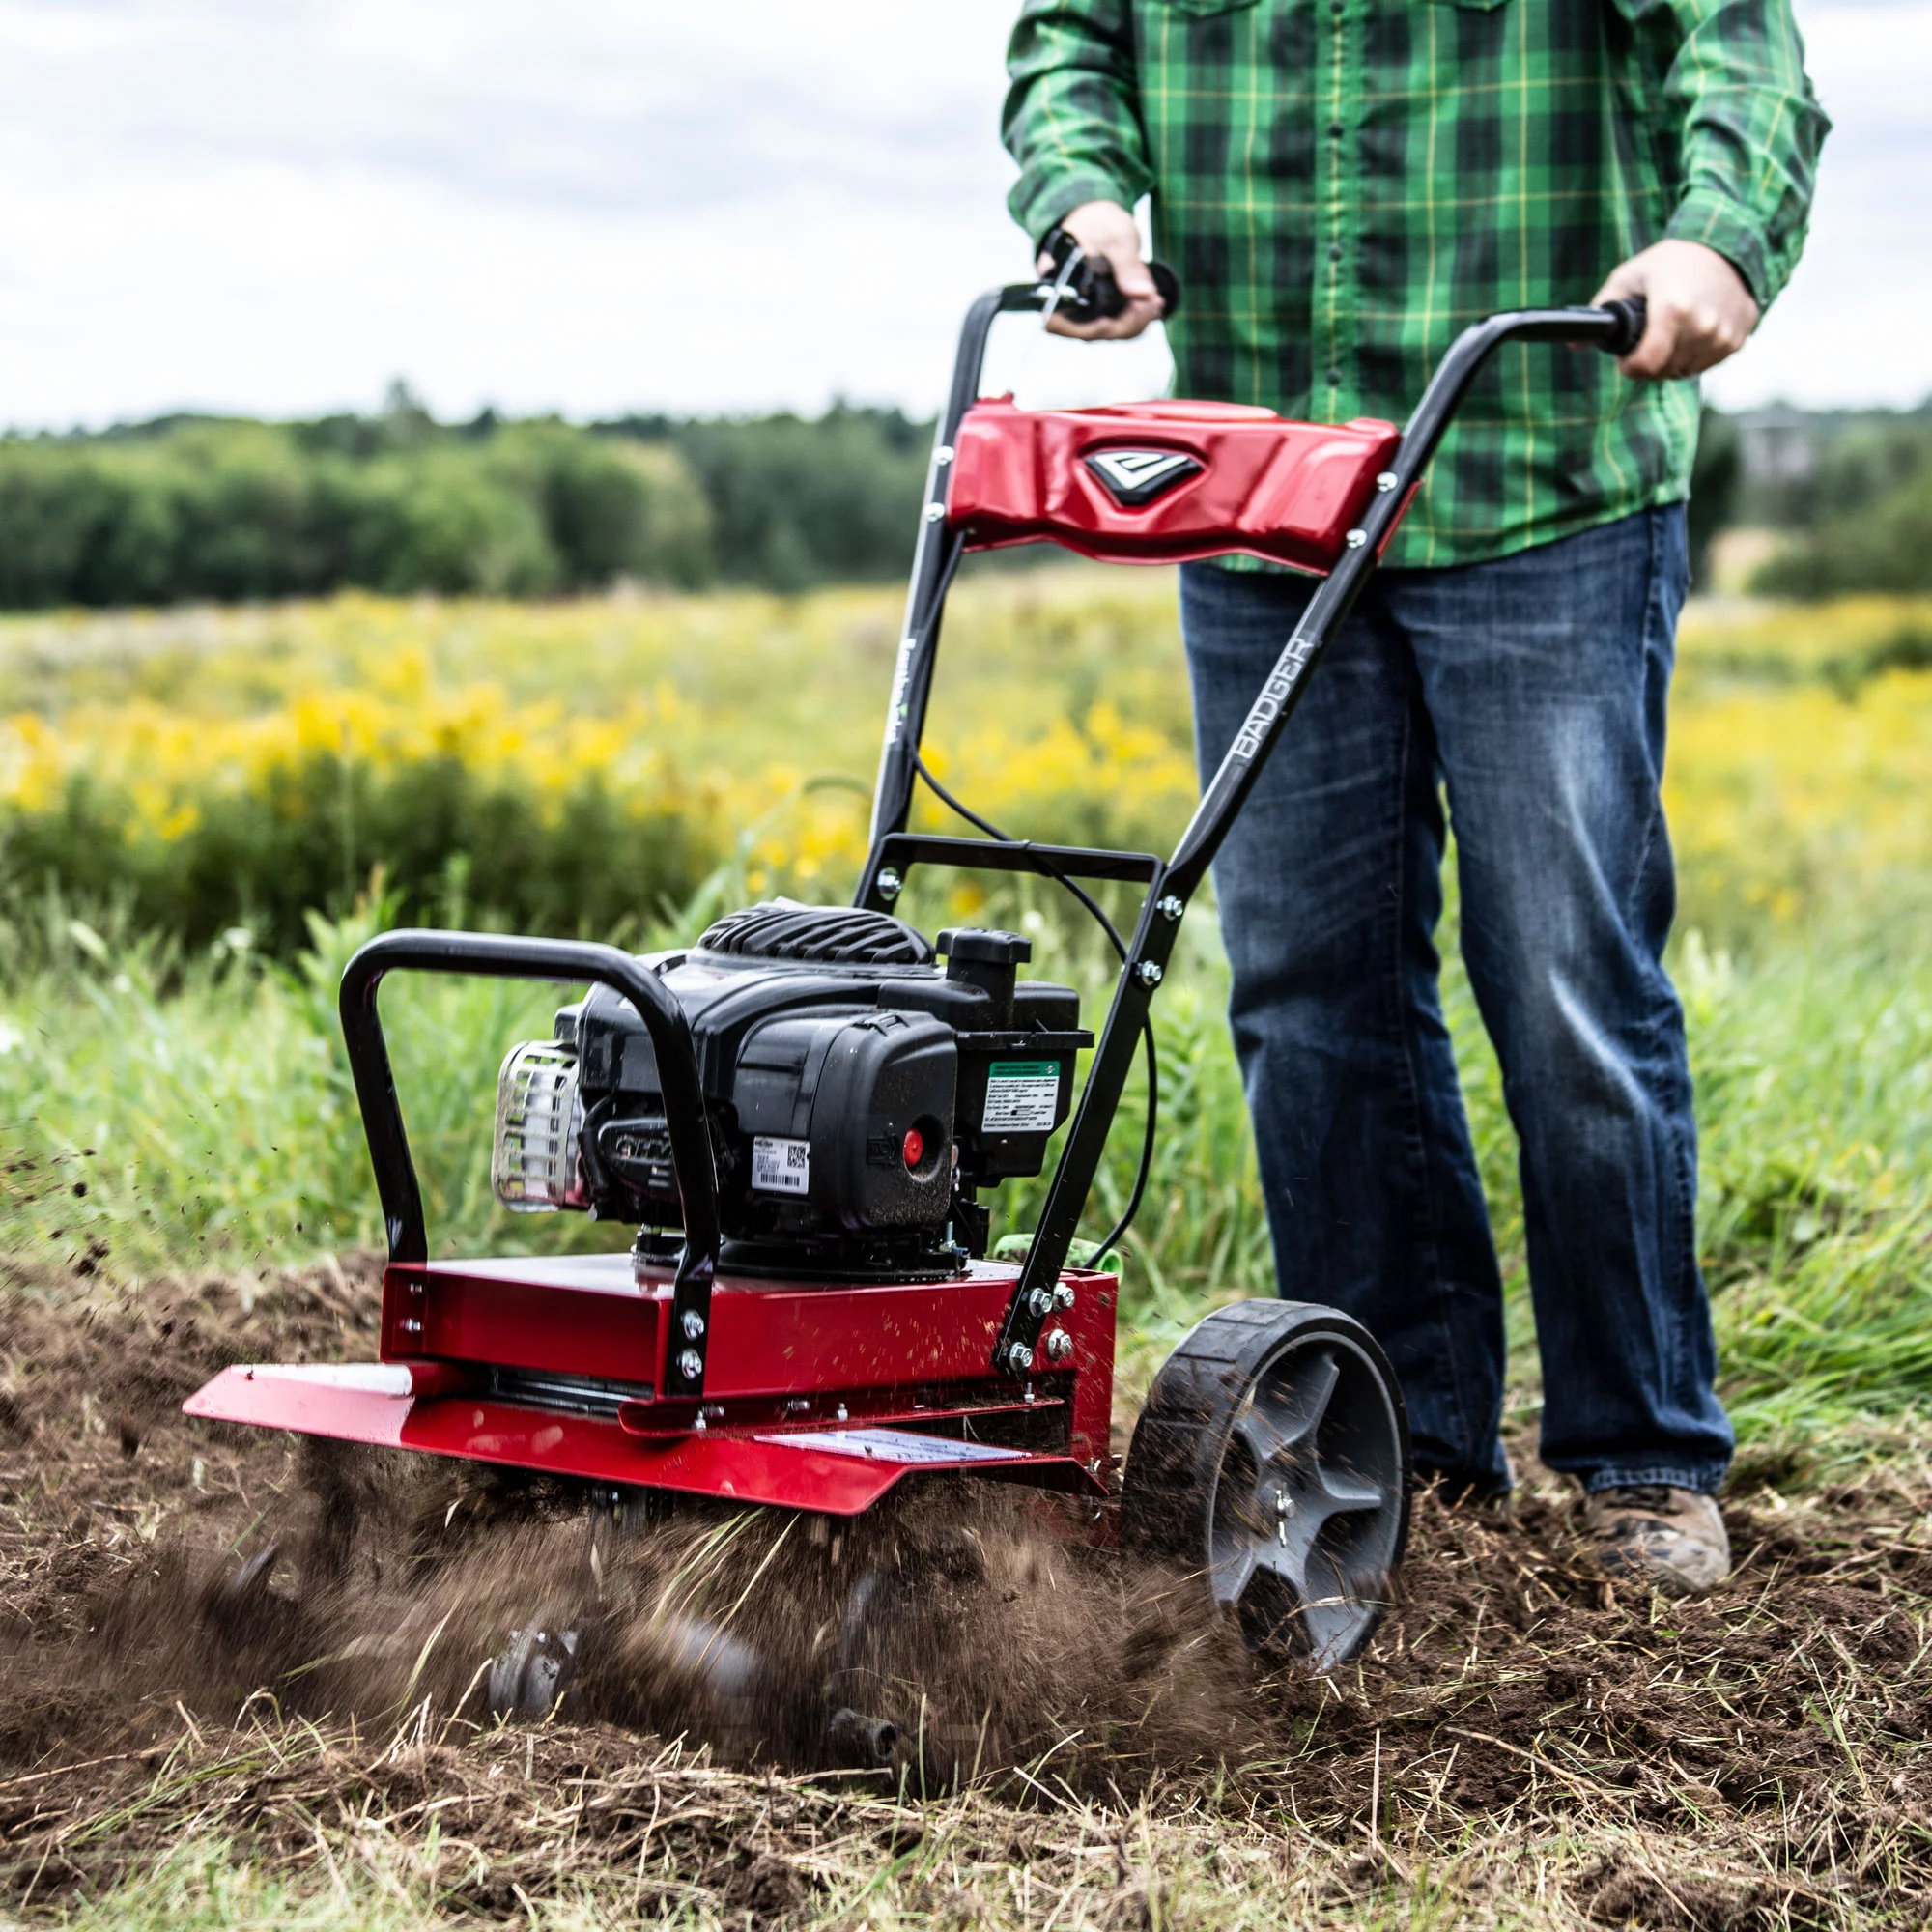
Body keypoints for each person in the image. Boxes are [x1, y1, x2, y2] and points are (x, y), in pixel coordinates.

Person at [1004, 0, 1826, 1595]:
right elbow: (1070, 39)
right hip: (1264, 487)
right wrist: (1085, 198)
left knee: (1565, 984)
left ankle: (1640, 1453)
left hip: (1540, 471)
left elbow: (1733, 39)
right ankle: (1407, 1447)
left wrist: (1716, 241)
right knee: (1310, 992)